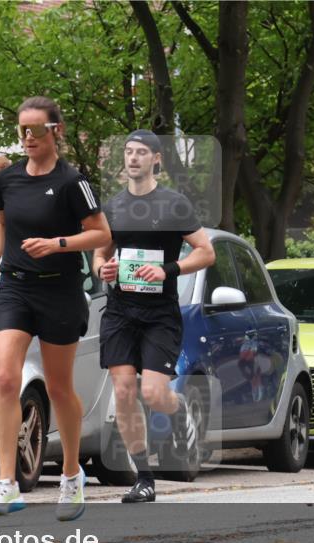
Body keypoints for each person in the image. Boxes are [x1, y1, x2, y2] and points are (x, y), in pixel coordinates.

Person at [0, 96, 111, 519]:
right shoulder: (9, 179)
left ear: (56, 131)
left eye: (35, 130)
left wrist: (58, 245)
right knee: (4, 379)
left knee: (57, 388)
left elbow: (101, 233)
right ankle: (7, 483)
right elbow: (0, 224)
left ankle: (72, 475)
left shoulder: (73, 182)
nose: (27, 138)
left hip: (60, 289)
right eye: (21, 131)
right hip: (14, 287)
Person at [93, 130, 215, 503]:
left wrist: (168, 270)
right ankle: (144, 477)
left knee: (154, 393)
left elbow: (206, 252)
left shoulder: (174, 204)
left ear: (156, 159)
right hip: (120, 310)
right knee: (125, 391)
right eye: (128, 152)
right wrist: (103, 270)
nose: (133, 158)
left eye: (141, 152)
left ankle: (178, 410)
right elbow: (99, 255)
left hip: (159, 313)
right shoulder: (112, 207)